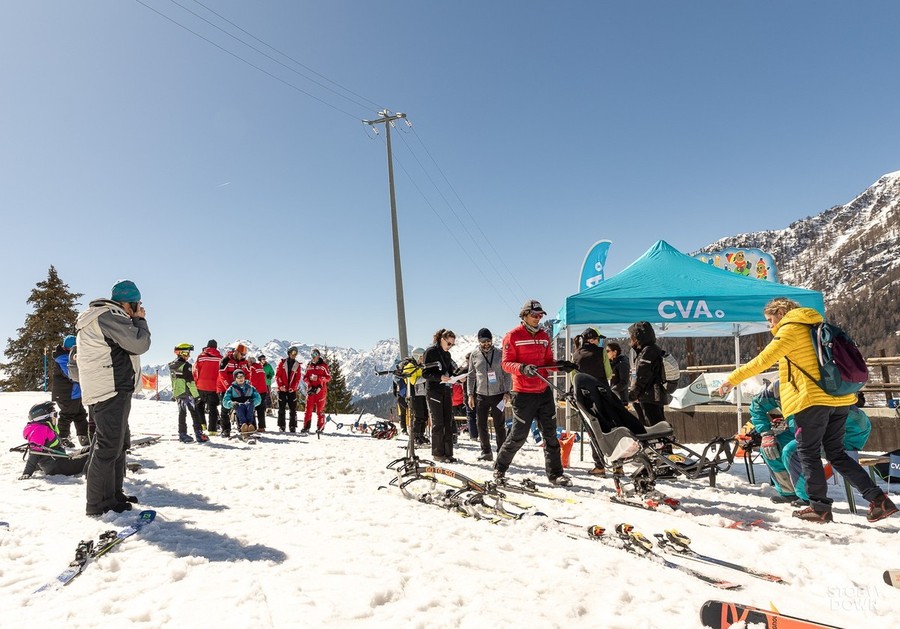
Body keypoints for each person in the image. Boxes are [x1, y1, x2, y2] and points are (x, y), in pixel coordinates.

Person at [716, 297, 897, 523]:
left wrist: (731, 380)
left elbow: (762, 361)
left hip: (810, 403)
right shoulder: (817, 327)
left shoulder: (791, 329)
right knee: (837, 454)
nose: (770, 326)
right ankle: (879, 501)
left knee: (808, 453)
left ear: (781, 312)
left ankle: (819, 508)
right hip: (839, 401)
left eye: (770, 320)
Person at [76, 279, 151, 516]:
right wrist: (140, 320)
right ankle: (97, 503)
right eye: (136, 305)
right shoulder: (109, 315)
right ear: (128, 303)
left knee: (118, 444)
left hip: (112, 387)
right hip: (110, 389)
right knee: (108, 447)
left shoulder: (106, 316)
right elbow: (139, 343)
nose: (137, 310)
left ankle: (114, 495)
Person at [750, 380, 871, 506]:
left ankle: (808, 496)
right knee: (770, 448)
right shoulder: (777, 388)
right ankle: (788, 491)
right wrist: (766, 434)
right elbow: (757, 405)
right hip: (804, 429)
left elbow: (857, 423)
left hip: (845, 434)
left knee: (792, 450)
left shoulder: (819, 389)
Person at [495, 300, 572, 487]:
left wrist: (561, 365)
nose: (538, 318)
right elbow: (505, 364)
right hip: (523, 393)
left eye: (540, 316)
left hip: (544, 391)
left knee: (550, 434)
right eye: (534, 315)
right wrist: (522, 368)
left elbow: (547, 362)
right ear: (524, 315)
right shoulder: (512, 336)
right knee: (518, 436)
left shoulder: (544, 336)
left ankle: (555, 475)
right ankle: (499, 469)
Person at [467, 328, 511, 462]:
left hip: (498, 394)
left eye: (488, 341)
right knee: (481, 424)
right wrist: (470, 395)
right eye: (483, 341)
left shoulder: (500, 353)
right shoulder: (474, 355)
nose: (486, 343)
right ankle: (486, 451)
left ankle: (501, 452)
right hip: (481, 395)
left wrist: (507, 392)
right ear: (478, 341)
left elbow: (507, 374)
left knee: (499, 424)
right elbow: (471, 376)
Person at [18, 402, 90, 480]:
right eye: (54, 414)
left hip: (61, 459)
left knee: (91, 449)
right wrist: (27, 473)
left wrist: (61, 441)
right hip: (57, 467)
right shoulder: (39, 430)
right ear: (44, 417)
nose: (56, 417)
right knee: (94, 455)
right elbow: (34, 453)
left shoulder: (44, 427)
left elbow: (46, 446)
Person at [422, 329, 459, 463]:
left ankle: (448, 453)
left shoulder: (447, 355)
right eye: (449, 343)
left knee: (448, 421)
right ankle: (438, 453)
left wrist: (458, 378)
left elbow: (449, 372)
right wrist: (439, 377)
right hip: (433, 391)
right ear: (442, 339)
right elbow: (425, 373)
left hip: (445, 390)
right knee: (438, 423)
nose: (450, 346)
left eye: (452, 345)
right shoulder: (430, 352)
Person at [50, 335, 90, 447]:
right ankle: (62, 438)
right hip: (67, 394)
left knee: (80, 414)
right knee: (67, 415)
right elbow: (71, 374)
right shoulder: (63, 358)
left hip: (73, 393)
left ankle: (84, 436)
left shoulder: (66, 356)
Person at [627, 321, 668, 427]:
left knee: (655, 427)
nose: (630, 339)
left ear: (637, 336)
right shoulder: (652, 349)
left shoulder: (648, 352)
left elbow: (642, 376)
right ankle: (664, 441)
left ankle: (663, 442)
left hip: (650, 395)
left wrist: (633, 394)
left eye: (631, 336)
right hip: (654, 395)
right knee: (659, 424)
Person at [169, 343, 209, 444]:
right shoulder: (186, 366)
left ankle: (182, 434)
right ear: (180, 353)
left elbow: (173, 380)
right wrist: (196, 395)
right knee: (195, 414)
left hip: (178, 393)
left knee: (182, 414)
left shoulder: (172, 365)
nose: (188, 356)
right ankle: (199, 435)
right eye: (186, 353)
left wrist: (174, 393)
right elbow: (190, 383)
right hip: (187, 394)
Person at [217, 344, 250, 437]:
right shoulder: (226, 360)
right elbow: (222, 375)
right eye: (242, 354)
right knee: (225, 408)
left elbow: (247, 375)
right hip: (224, 387)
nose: (243, 356)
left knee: (241, 406)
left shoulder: (244, 362)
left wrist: (246, 385)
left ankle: (242, 427)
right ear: (236, 352)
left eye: (244, 355)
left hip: (239, 388)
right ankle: (226, 429)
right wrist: (229, 386)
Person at [193, 340, 223, 434]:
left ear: (207, 346)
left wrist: (195, 383)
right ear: (216, 347)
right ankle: (212, 430)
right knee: (213, 408)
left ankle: (202, 424)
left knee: (199, 405)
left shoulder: (201, 357)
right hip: (214, 387)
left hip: (201, 385)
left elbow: (195, 371)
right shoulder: (220, 358)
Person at [402, 348, 430, 446]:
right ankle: (416, 436)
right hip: (414, 394)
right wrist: (426, 377)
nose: (423, 359)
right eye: (422, 357)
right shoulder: (410, 366)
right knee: (418, 415)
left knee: (424, 415)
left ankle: (421, 435)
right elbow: (413, 381)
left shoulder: (419, 365)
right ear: (417, 356)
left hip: (422, 393)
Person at [221, 369, 262, 434]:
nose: (241, 379)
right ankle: (243, 425)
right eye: (238, 377)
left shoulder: (250, 388)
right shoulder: (231, 389)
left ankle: (250, 424)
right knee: (240, 405)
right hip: (237, 406)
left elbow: (258, 398)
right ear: (235, 379)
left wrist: (254, 401)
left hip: (249, 406)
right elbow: (225, 401)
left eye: (242, 376)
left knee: (249, 404)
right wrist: (231, 404)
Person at [302, 349, 331, 435]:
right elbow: (305, 378)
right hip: (311, 390)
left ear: (318, 355)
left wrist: (318, 378)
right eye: (312, 354)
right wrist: (309, 380)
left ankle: (320, 428)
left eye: (315, 354)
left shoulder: (323, 366)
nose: (313, 356)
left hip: (320, 390)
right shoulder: (309, 365)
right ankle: (306, 427)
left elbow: (328, 377)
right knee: (308, 409)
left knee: (320, 410)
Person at [276, 346, 302, 432]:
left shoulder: (297, 365)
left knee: (293, 409)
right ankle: (281, 426)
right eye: (293, 353)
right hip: (282, 390)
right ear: (289, 353)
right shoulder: (282, 363)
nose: (294, 355)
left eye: (296, 353)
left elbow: (298, 379)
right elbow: (277, 376)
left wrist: (294, 387)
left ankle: (292, 426)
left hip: (291, 390)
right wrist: (280, 386)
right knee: (281, 408)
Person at [247, 356, 269, 431]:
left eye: (248, 362)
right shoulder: (260, 367)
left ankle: (253, 426)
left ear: (250, 362)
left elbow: (253, 380)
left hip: (257, 391)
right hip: (264, 390)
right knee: (261, 409)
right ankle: (262, 427)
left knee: (252, 408)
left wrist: (250, 390)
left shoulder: (253, 368)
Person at [391, 358, 410, 435]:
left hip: (404, 394)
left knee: (408, 412)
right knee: (403, 412)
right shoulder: (396, 374)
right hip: (401, 395)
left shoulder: (405, 372)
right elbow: (397, 381)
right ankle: (404, 429)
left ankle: (408, 428)